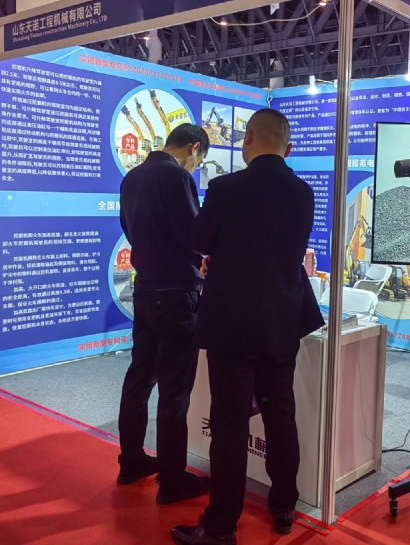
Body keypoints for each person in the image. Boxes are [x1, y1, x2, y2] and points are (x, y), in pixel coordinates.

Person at [172, 109, 324, 545]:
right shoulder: (303, 193)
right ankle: (284, 506)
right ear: (288, 148)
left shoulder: (226, 188)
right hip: (282, 321)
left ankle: (220, 527)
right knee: (280, 415)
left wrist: (219, 255)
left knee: (230, 425)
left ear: (248, 139)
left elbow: (200, 240)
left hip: (233, 325)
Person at [116, 123, 211, 506]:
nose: (195, 167)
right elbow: (195, 236)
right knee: (175, 390)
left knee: (139, 377)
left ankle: (131, 461)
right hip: (177, 293)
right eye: (198, 161)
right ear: (194, 148)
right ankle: (172, 480)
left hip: (145, 289)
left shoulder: (132, 178)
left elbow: (128, 229)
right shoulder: (177, 177)